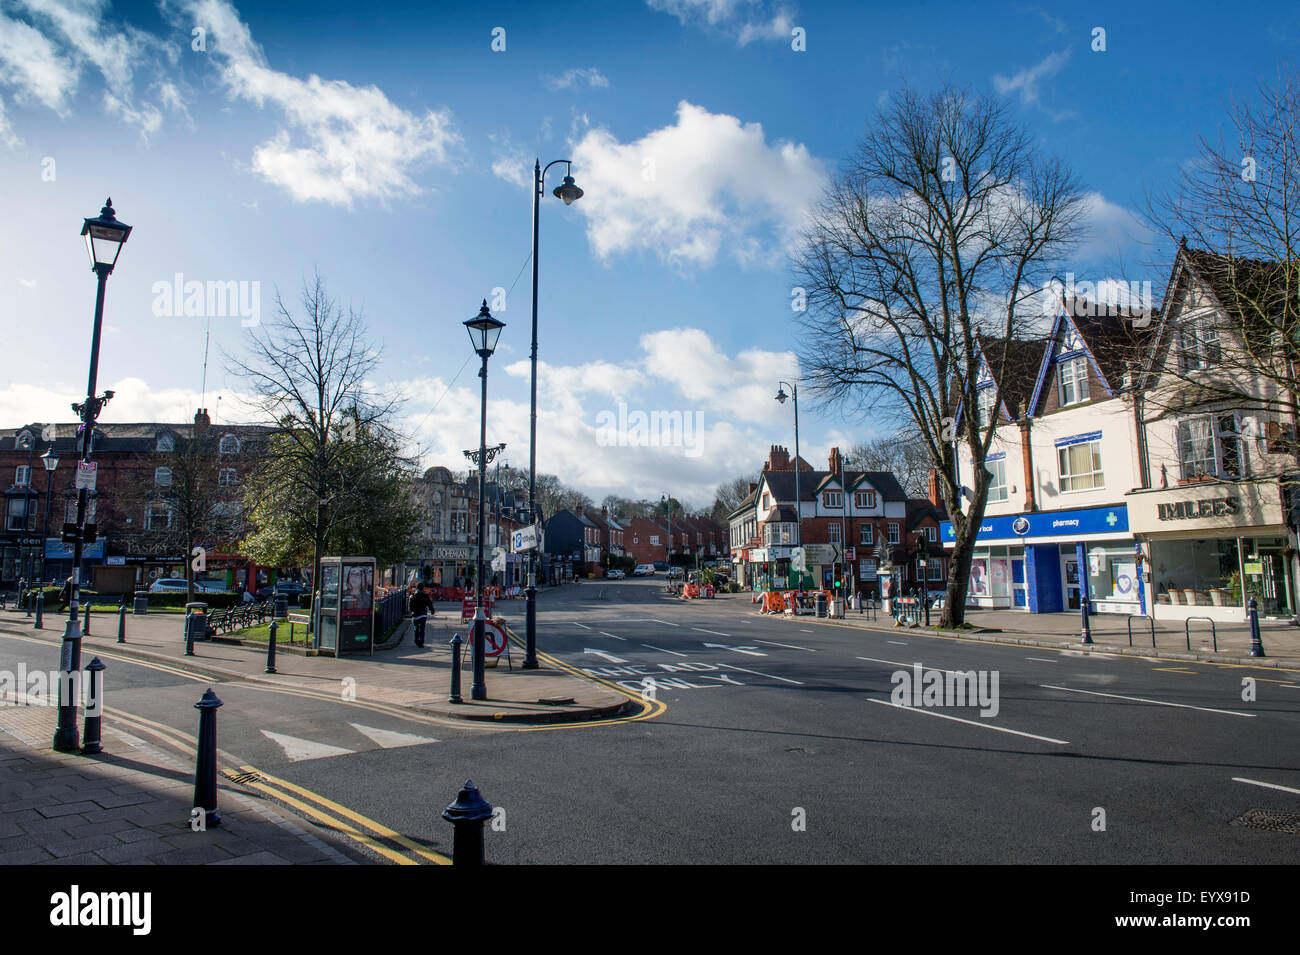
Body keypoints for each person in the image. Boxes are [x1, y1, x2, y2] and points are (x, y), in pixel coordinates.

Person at [409, 582, 433, 648]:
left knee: (416, 628)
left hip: (415, 615)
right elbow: (429, 603)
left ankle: (416, 640)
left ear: (416, 587)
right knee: (422, 629)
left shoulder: (413, 595)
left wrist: (411, 611)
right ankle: (421, 642)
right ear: (423, 588)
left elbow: (410, 605)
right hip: (423, 614)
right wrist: (432, 610)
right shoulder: (425, 595)